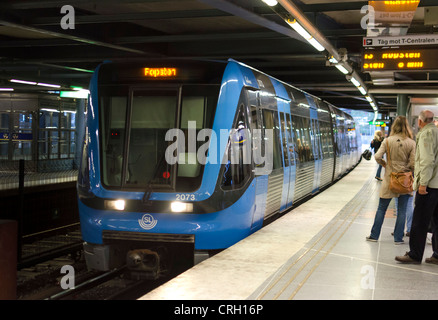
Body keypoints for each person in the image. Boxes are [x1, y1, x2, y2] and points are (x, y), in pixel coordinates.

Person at [396, 110, 438, 264]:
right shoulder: (437, 132)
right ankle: (437, 255)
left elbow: (427, 161)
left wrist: (423, 184)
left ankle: (414, 254)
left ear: (420, 122)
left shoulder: (426, 134)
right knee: (437, 222)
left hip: (429, 186)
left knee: (419, 221)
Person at [366, 116, 416, 244]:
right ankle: (398, 238)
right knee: (402, 211)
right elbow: (413, 163)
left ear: (394, 126)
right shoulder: (411, 142)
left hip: (389, 178)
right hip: (404, 181)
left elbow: (377, 156)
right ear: (407, 127)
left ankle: (374, 235)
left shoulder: (387, 141)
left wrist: (384, 164)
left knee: (381, 208)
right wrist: (406, 169)